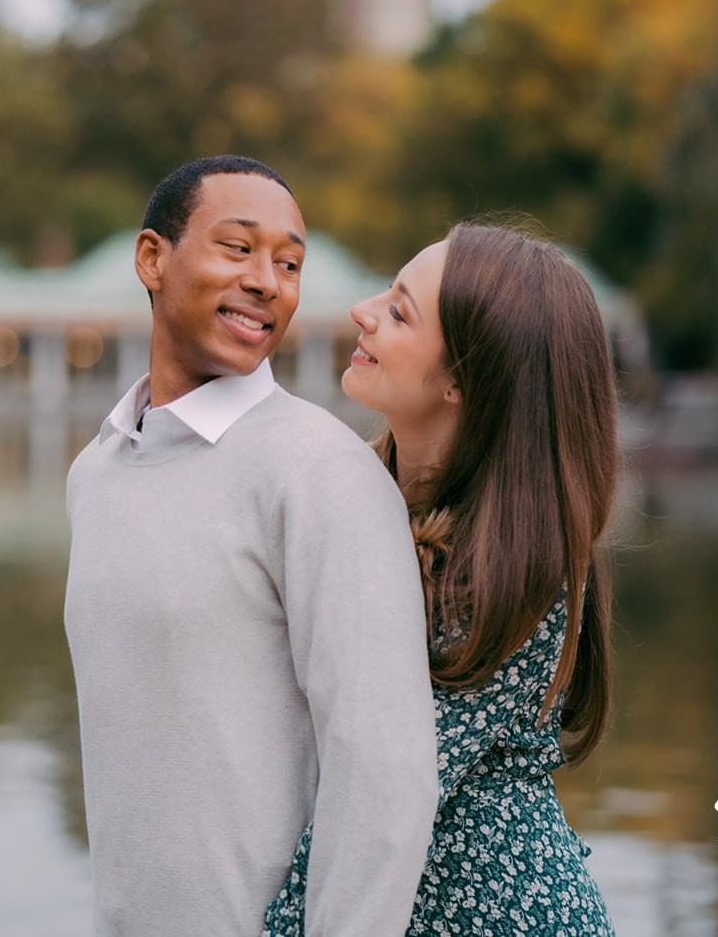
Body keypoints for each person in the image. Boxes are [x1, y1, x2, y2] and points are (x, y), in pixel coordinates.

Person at [64, 155, 438, 937]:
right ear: (152, 259)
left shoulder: (318, 471)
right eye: (239, 248)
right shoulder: (96, 471)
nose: (269, 280)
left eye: (291, 262)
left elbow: (384, 775)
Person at [263, 218, 618, 936]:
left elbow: (382, 788)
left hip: (500, 912)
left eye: (398, 311)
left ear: (461, 380)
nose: (363, 311)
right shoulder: (352, 492)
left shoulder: (516, 570)